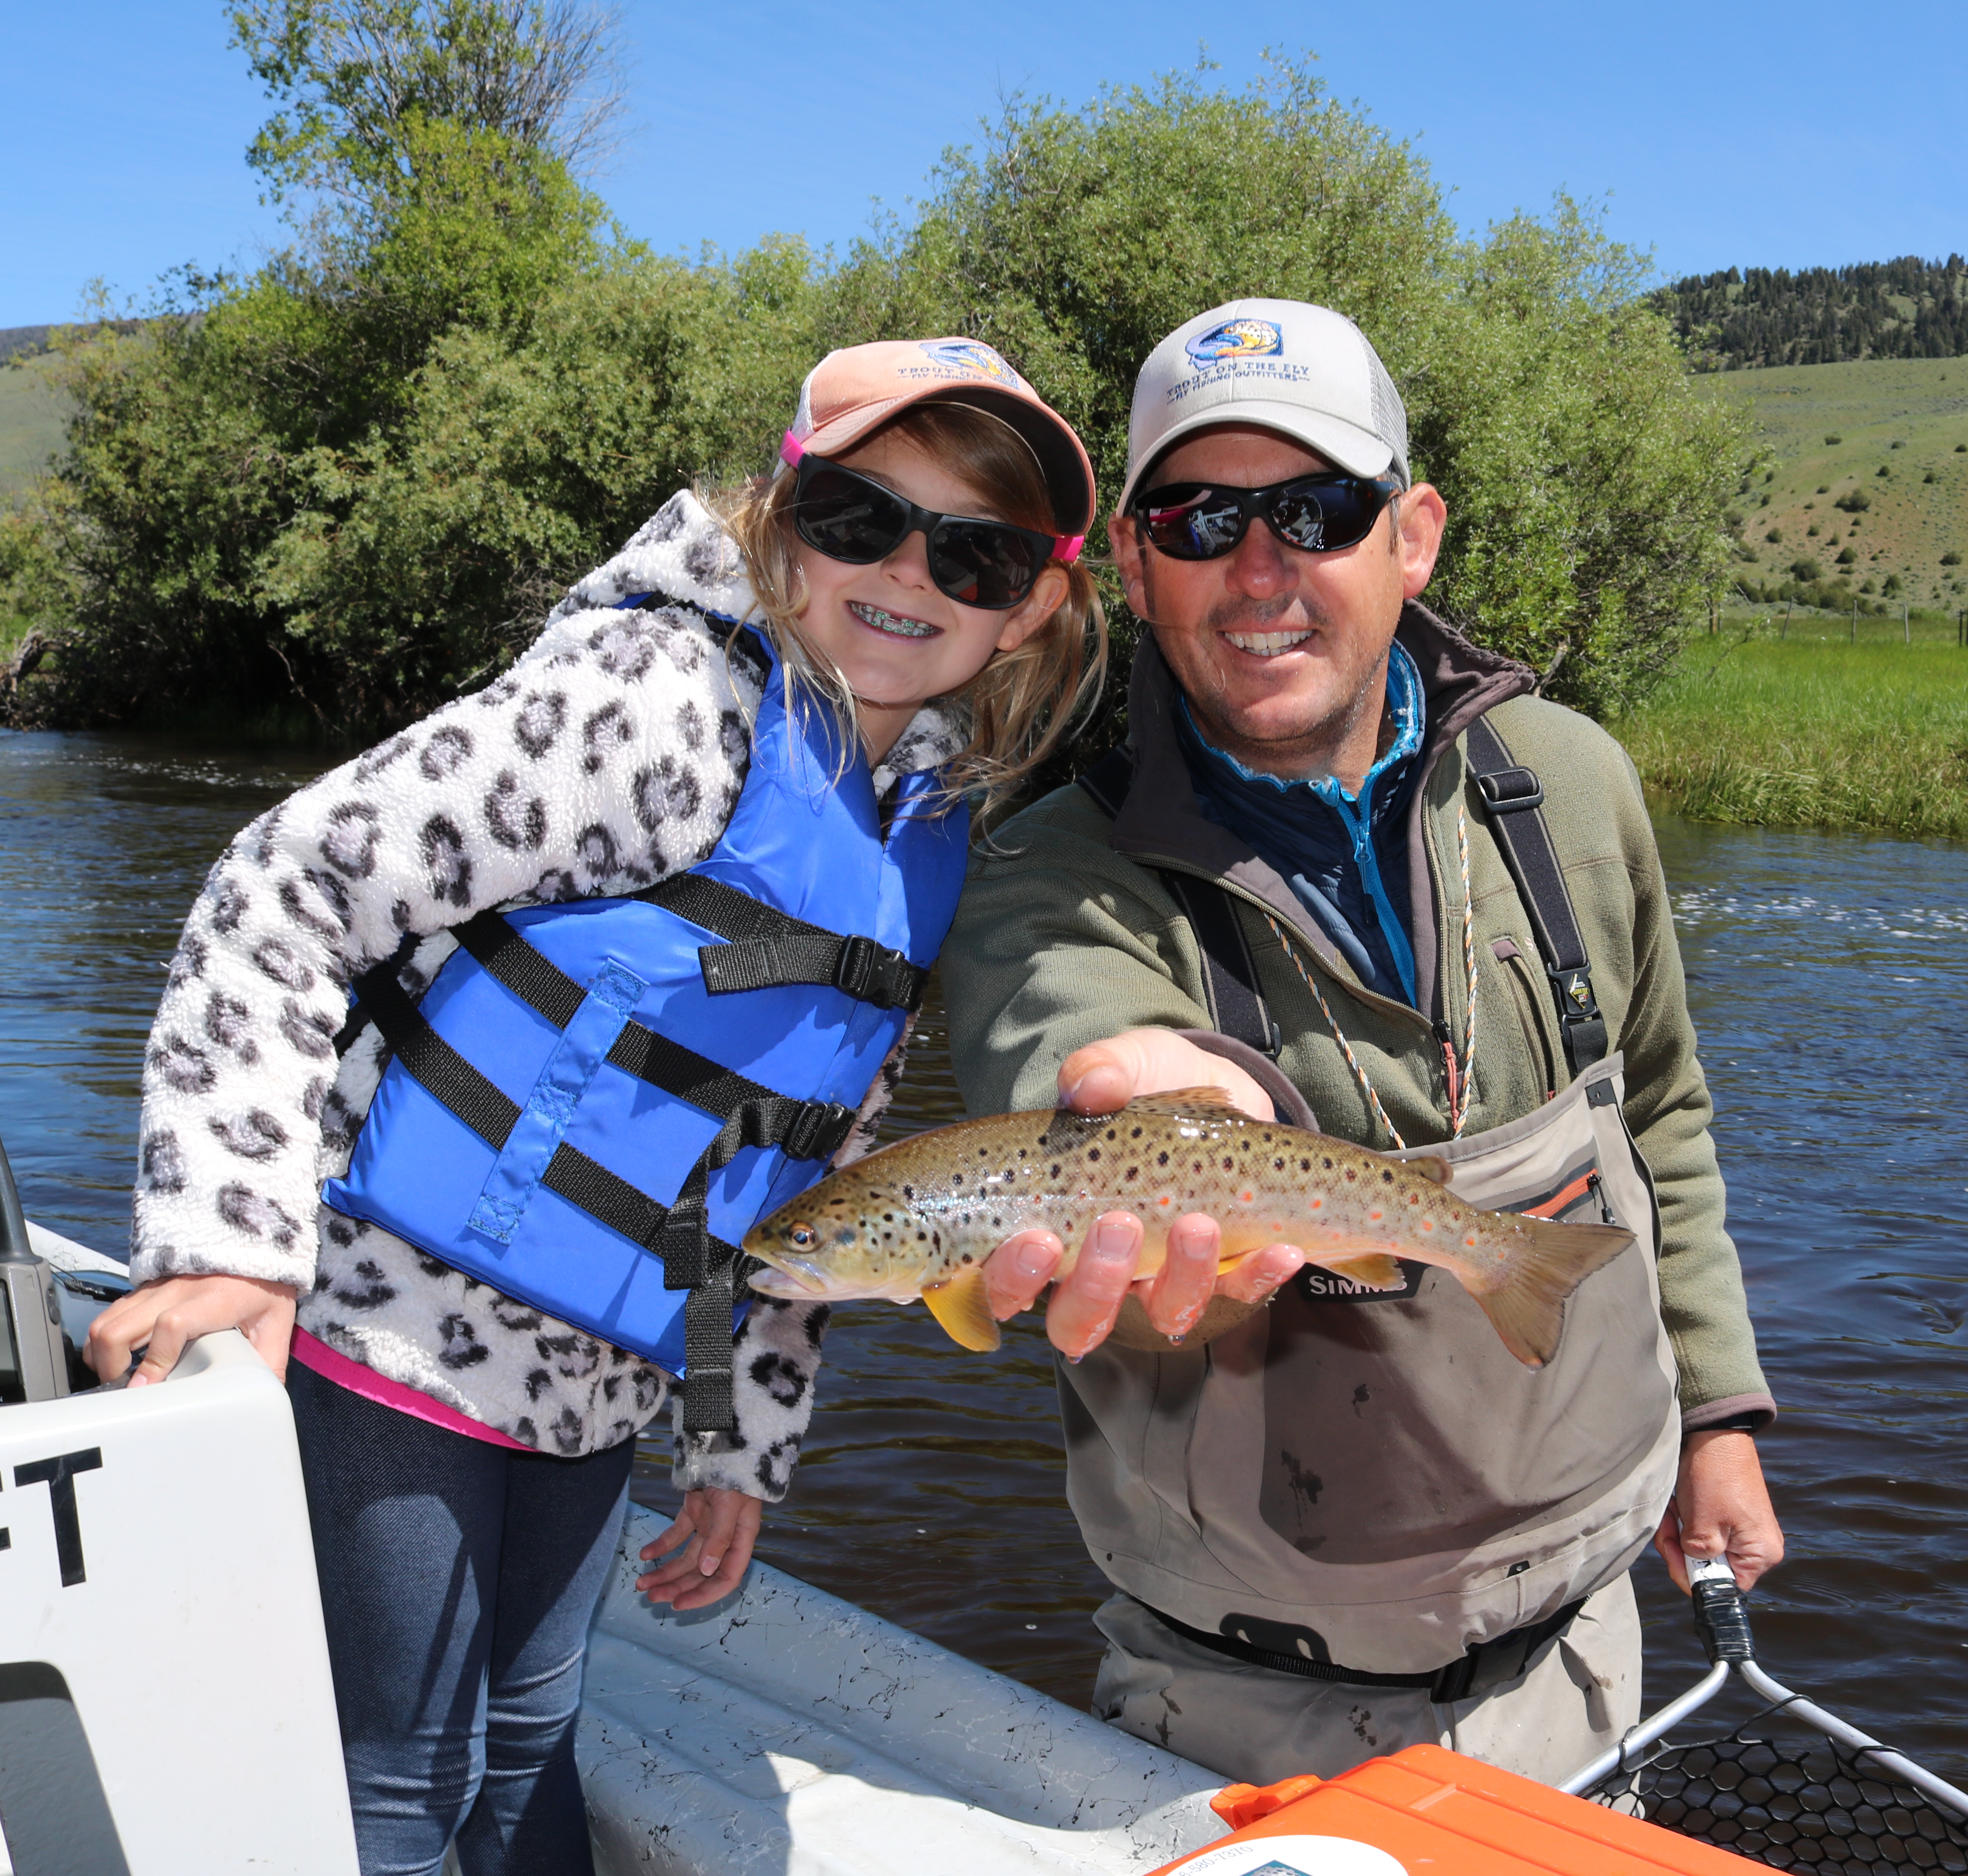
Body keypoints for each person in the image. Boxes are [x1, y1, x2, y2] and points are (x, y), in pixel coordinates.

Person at [87, 338, 1101, 1876]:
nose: (910, 574)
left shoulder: (922, 824)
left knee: (528, 1743)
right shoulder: (660, 709)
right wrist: (226, 1245)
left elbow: (801, 1173)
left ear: (1029, 602)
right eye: (858, 518)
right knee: (400, 1786)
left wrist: (731, 1446)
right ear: (781, 512)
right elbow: (285, 890)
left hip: (596, 1383)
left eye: (976, 552)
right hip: (386, 1331)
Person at [943, 298, 1780, 1788]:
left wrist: (1716, 1417)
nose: (1258, 572)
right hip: (1241, 1710)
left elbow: (1660, 1117)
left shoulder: (1573, 786)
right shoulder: (1046, 872)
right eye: (1198, 521)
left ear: (1414, 538)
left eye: (1316, 511)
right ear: (1134, 566)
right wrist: (1164, 1109)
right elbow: (1074, 1032)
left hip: (1587, 1655)